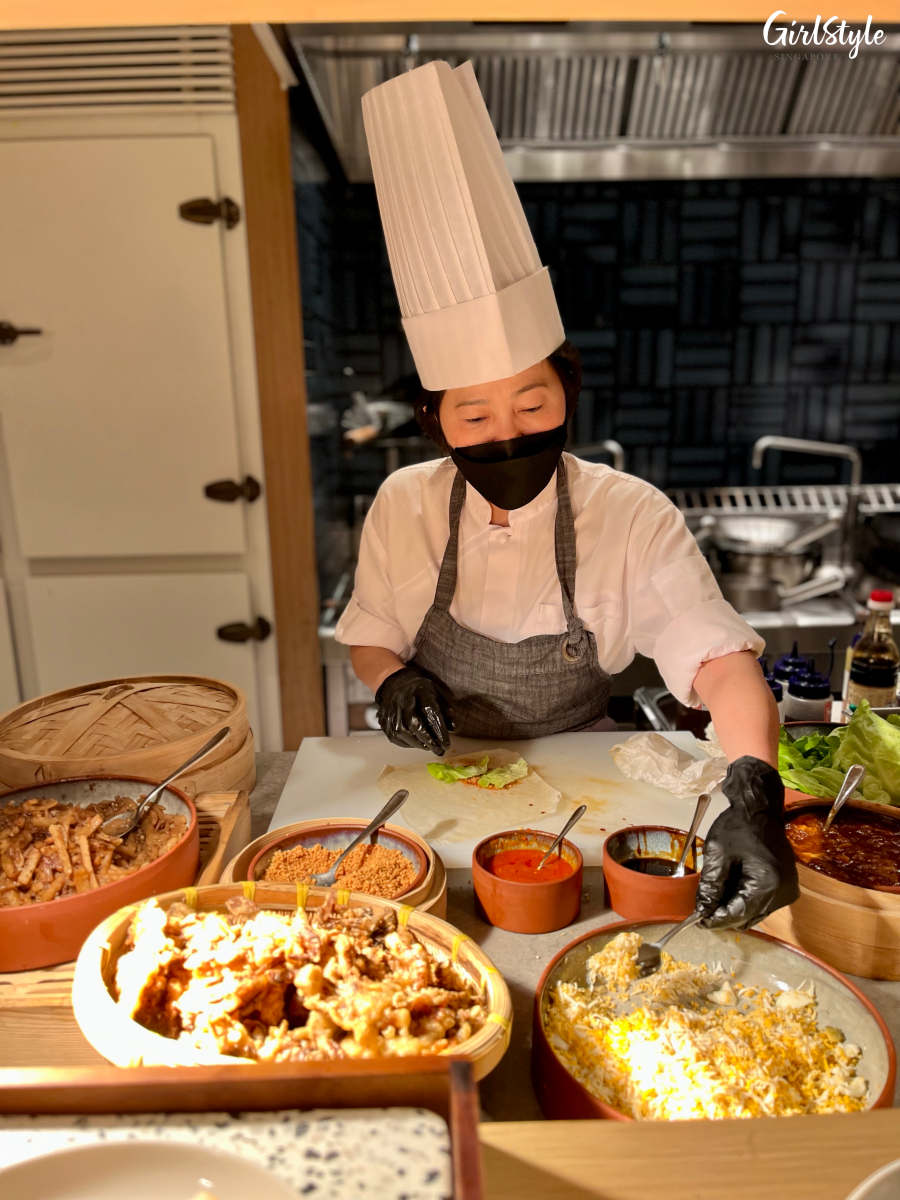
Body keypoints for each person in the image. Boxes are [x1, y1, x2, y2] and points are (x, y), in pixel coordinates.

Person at [335, 60, 798, 932]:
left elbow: (720, 663)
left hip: (586, 780)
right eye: (475, 415)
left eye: (533, 404)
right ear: (435, 421)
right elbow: (371, 635)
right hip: (434, 780)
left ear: (569, 392)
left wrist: (756, 791)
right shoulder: (405, 502)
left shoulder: (631, 513)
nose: (508, 433)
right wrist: (393, 680)